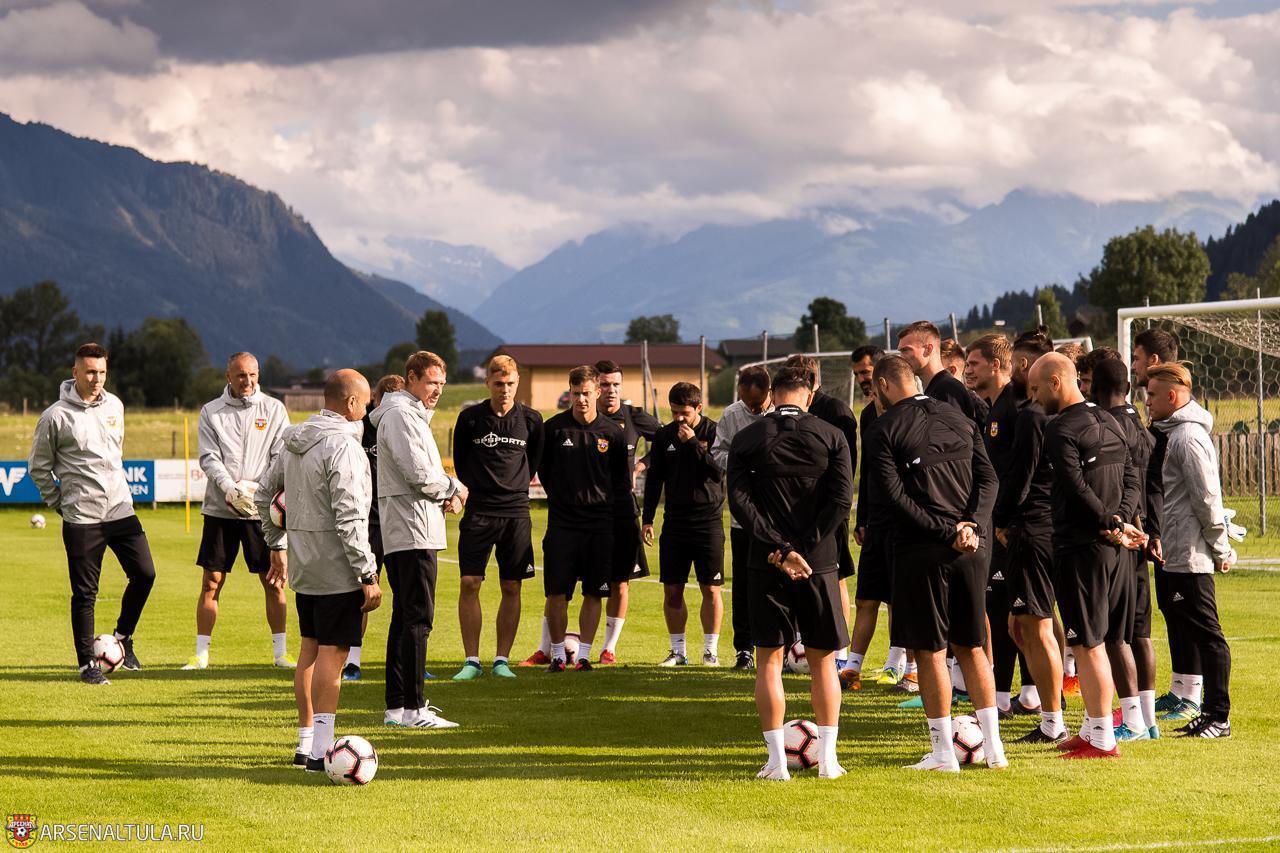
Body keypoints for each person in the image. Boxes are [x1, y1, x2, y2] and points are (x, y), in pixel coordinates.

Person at [864, 355, 1005, 772]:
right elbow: (989, 479)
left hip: (922, 550)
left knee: (930, 651)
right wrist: (972, 525)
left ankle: (944, 753)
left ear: (884, 385)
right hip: (972, 548)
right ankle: (995, 750)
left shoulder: (882, 428)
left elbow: (894, 498)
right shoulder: (959, 415)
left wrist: (947, 531)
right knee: (973, 648)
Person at [727, 365, 853, 781]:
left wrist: (781, 550)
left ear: (772, 395)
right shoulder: (831, 435)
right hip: (819, 561)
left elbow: (740, 505)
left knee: (769, 659)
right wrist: (806, 547)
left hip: (766, 560)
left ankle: (776, 763)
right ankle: (829, 761)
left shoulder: (747, 438)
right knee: (823, 661)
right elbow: (841, 501)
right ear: (810, 394)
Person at [256, 369, 383, 772]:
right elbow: (349, 515)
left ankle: (305, 743)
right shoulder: (344, 446)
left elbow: (262, 495)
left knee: (309, 650)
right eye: (365, 404)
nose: (366, 412)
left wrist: (277, 543)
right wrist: (367, 573)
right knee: (334, 653)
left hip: (305, 566)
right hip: (337, 568)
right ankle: (321, 753)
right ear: (351, 403)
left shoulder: (293, 441)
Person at [1028, 353, 1143, 759]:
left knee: (1088, 645)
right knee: (1098, 641)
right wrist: (1120, 521)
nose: (1034, 398)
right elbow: (1132, 477)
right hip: (1113, 547)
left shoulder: (1059, 428)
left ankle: (1103, 740)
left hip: (1081, 548)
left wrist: (1111, 521)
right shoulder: (1111, 420)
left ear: (1056, 382)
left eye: (1036, 389)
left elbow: (1075, 486)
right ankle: (1093, 728)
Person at [29, 342, 156, 685]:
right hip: (82, 517)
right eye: (89, 372)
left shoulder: (115, 405)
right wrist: (61, 503)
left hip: (120, 509)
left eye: (101, 372)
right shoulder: (55, 416)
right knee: (85, 593)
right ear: (75, 372)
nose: (96, 378)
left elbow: (115, 455)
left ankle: (123, 638)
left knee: (145, 574)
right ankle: (87, 665)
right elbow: (38, 467)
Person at [369, 351, 465, 728]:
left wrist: (446, 490)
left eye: (442, 384)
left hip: (411, 527)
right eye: (431, 382)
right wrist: (454, 488)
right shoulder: (401, 414)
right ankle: (414, 708)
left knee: (405, 616)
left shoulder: (407, 413)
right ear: (411, 378)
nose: (437, 390)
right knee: (418, 619)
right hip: (412, 529)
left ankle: (397, 707)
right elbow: (420, 474)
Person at [184, 352, 292, 671]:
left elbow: (281, 456)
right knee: (211, 582)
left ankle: (281, 655)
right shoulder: (212, 411)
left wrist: (257, 488)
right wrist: (229, 488)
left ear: (259, 375)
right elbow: (209, 457)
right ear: (228, 376)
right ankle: (201, 655)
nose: (247, 381)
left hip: (261, 512)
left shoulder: (274, 409)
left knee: (274, 582)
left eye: (253, 375)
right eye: (241, 375)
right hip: (221, 509)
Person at [1147, 362, 1235, 738]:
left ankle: (1218, 716)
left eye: (1152, 395)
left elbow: (1207, 498)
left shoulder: (1188, 437)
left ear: (1172, 396)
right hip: (1174, 552)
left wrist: (1220, 548)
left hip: (1192, 555)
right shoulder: (1172, 434)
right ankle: (1193, 705)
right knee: (1185, 626)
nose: (1146, 401)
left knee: (1209, 635)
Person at [993, 330, 1067, 743]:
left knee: (1034, 630)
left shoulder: (1033, 416)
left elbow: (1019, 477)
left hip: (1032, 530)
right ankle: (1052, 707)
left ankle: (1053, 720)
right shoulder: (1074, 416)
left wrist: (1000, 520)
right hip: (1056, 528)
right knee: (1025, 627)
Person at [451, 356, 544, 680]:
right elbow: (461, 463)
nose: (505, 390)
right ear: (488, 383)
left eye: (510, 384)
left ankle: (502, 660)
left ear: (518, 383)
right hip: (479, 510)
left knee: (511, 585)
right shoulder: (470, 419)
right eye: (499, 383)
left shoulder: (531, 420)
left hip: (515, 512)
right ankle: (471, 661)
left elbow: (533, 463)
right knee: (469, 583)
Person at [537, 365, 633, 672]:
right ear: (570, 392)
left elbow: (620, 481)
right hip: (563, 523)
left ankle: (584, 656)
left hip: (600, 524)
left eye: (587, 393)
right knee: (556, 592)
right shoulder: (554, 429)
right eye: (576, 393)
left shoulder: (612, 433)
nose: (581, 399)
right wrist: (563, 497)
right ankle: (556, 655)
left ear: (598, 392)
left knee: (594, 591)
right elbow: (544, 472)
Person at [1090, 358, 1160, 741]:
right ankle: (1147, 719)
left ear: (1092, 388)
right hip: (1143, 533)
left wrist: (1121, 523)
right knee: (1140, 630)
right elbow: (1154, 484)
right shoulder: (1142, 427)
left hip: (1122, 535)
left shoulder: (1107, 427)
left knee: (1114, 634)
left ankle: (1132, 718)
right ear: (1130, 388)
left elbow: (1121, 483)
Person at [1131, 328, 1200, 720]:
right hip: (1163, 529)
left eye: (1137, 358)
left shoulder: (1185, 430)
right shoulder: (1161, 422)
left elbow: (1198, 489)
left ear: (1154, 361)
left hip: (1179, 534)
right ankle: (1179, 689)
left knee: (1188, 613)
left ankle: (1194, 694)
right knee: (1171, 609)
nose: (1133, 366)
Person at [965, 334, 1032, 718]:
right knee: (1002, 609)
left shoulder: (1014, 408)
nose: (968, 371)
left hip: (1013, 528)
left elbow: (1021, 472)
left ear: (996, 365)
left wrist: (1008, 520)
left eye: (973, 364)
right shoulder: (994, 408)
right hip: (998, 524)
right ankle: (1006, 695)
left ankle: (1033, 694)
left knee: (1024, 612)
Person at [843, 345, 912, 691]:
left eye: (866, 372)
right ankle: (852, 668)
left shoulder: (910, 413)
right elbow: (869, 470)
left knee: (903, 597)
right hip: (877, 520)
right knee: (867, 595)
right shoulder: (869, 414)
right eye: (857, 373)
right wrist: (863, 516)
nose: (862, 379)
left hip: (905, 519)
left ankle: (903, 667)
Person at [642, 382, 723, 666]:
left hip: (708, 522)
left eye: (684, 413)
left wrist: (692, 444)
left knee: (710, 589)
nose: (678, 418)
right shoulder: (663, 435)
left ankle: (710, 652)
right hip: (675, 523)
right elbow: (655, 480)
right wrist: (647, 519)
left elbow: (717, 471)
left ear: (698, 408)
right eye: (674, 412)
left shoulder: (714, 432)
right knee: (672, 589)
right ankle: (678, 651)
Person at [784, 354, 856, 671]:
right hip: (792, 513)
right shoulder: (784, 413)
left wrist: (837, 511)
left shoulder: (836, 412)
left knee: (834, 578)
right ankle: (798, 646)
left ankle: (839, 652)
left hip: (828, 513)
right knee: (795, 577)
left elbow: (846, 470)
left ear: (814, 381)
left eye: (802, 376)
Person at [595, 360, 662, 664]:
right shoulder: (584, 417)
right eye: (605, 384)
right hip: (587, 513)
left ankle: (609, 648)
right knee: (580, 582)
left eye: (616, 385)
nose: (611, 390)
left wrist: (642, 465)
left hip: (623, 510)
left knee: (620, 581)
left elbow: (665, 440)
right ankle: (557, 647)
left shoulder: (632, 417)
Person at [709, 365, 773, 671]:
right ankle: (744, 649)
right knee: (744, 585)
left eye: (757, 404)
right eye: (747, 403)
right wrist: (740, 462)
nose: (752, 409)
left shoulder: (781, 414)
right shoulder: (732, 415)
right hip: (743, 518)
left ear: (769, 393)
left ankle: (784, 646)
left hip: (776, 517)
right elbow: (717, 452)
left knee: (778, 583)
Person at [344, 374, 405, 681]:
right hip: (367, 523)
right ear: (375, 401)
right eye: (385, 400)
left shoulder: (407, 427)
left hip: (400, 522)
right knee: (362, 594)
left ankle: (411, 661)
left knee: (407, 595)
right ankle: (352, 661)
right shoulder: (359, 428)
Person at [897, 321, 987, 426]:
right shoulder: (937, 388)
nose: (901, 357)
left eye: (906, 350)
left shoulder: (948, 389)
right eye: (900, 352)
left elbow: (957, 434)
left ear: (928, 349)